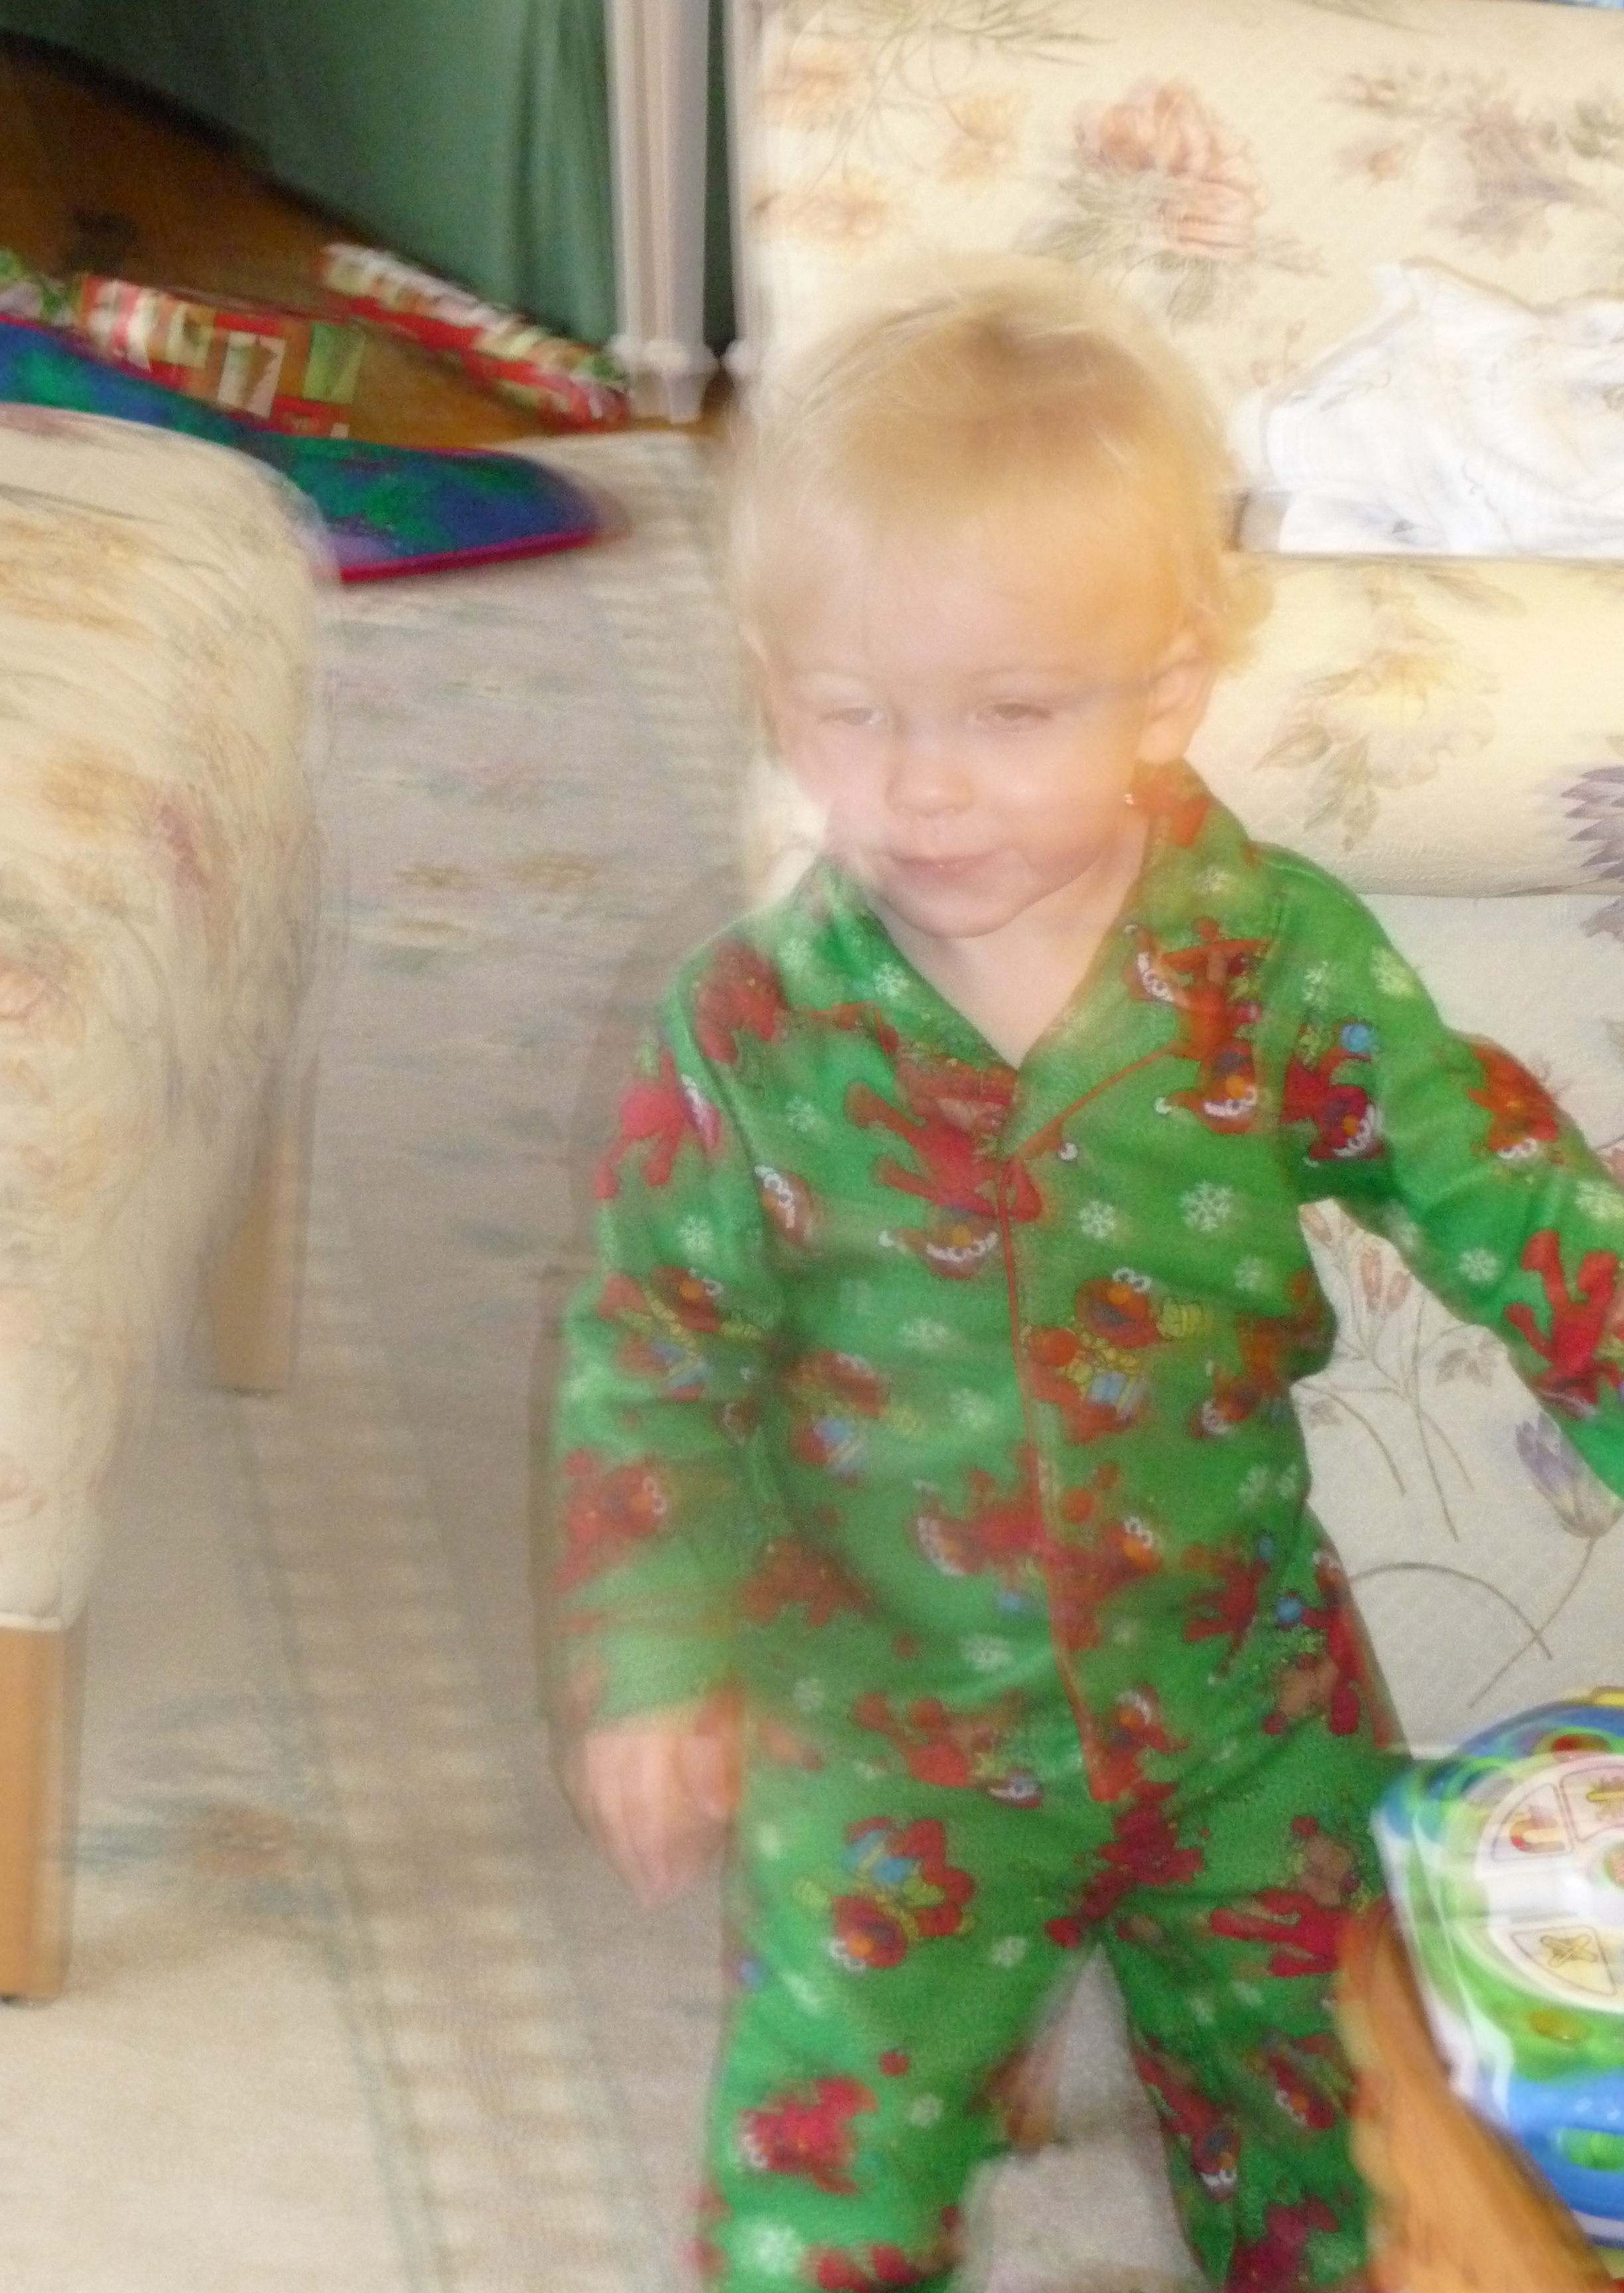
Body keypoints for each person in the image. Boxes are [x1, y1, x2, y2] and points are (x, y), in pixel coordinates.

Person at [548, 258, 1624, 2293]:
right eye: (849, 713)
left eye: (1012, 714)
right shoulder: (750, 1030)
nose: (921, 785)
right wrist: (656, 1652)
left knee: (1347, 2150)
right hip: (887, 1732)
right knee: (820, 2198)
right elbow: (651, 1357)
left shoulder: (1275, 963)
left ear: (1169, 690)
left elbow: (1511, 1200)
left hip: (1241, 1707)